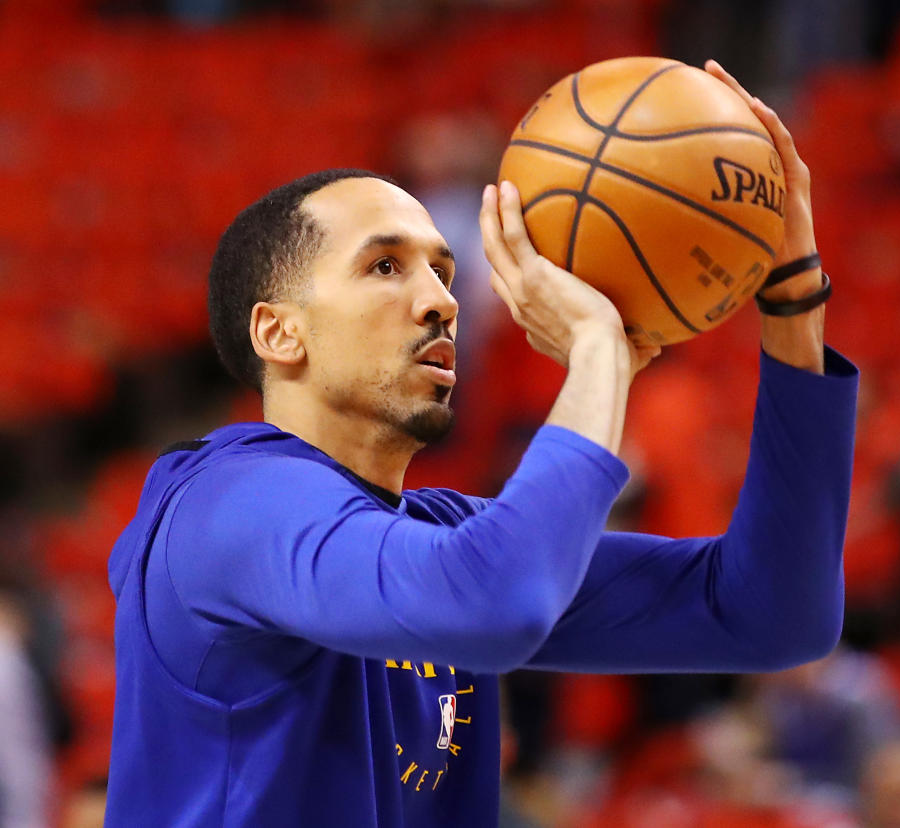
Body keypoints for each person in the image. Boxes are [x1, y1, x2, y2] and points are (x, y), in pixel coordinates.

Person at [104, 61, 857, 827]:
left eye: (444, 271)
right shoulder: (226, 505)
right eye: (386, 266)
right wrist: (602, 353)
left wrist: (793, 299)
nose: (439, 301)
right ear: (279, 331)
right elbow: (498, 604)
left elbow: (772, 613)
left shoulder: (447, 545)